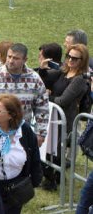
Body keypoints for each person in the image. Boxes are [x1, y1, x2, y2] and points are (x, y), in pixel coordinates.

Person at [0, 43, 49, 145]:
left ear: (25, 60)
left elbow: (42, 107)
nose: (10, 61)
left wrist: (40, 134)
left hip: (22, 134)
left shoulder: (35, 79)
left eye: (16, 58)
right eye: (9, 56)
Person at [38, 44, 90, 190]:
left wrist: (47, 96)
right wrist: (42, 68)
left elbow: (63, 101)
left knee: (56, 150)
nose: (71, 60)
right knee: (49, 149)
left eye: (75, 58)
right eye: (69, 56)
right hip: (53, 117)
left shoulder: (79, 79)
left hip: (65, 118)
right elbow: (44, 81)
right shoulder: (63, 71)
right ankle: (53, 177)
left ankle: (54, 179)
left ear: (82, 61)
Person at [0, 94, 42, 214]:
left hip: (15, 187)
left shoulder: (25, 130)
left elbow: (34, 157)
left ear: (11, 115)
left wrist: (35, 181)